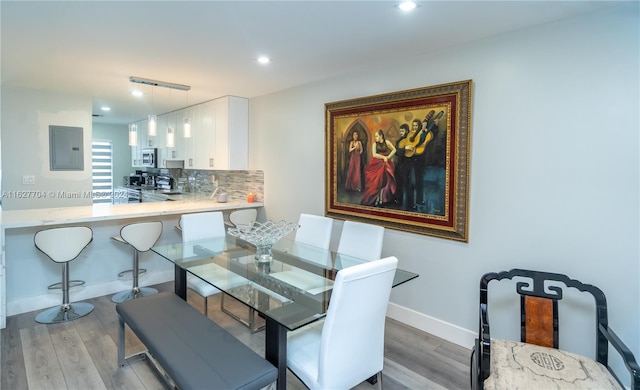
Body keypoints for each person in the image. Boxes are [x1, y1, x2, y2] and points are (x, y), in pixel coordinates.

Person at [361, 129, 397, 206]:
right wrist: (383, 157)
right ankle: (376, 199)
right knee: (376, 182)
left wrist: (388, 157)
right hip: (376, 164)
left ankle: (381, 199)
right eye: (375, 136)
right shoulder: (375, 144)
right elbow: (374, 154)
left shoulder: (386, 142)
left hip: (385, 164)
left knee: (383, 181)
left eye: (377, 136)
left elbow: (394, 150)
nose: (375, 138)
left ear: (381, 136)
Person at [394, 124, 412, 209]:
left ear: (407, 131)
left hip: (406, 166)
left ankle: (406, 204)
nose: (401, 132)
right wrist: (404, 149)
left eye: (402, 131)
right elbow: (396, 151)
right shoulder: (398, 141)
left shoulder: (410, 140)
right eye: (400, 131)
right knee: (398, 184)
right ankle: (399, 201)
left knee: (406, 185)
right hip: (398, 166)